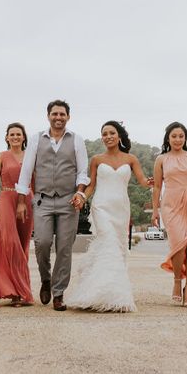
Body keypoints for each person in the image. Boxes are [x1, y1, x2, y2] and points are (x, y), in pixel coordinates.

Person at [66, 121, 152, 312]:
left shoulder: (131, 159)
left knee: (119, 248)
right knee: (109, 243)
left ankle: (110, 293)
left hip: (121, 208)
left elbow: (143, 181)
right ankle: (105, 294)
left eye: (111, 133)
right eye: (104, 134)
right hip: (101, 207)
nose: (108, 136)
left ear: (119, 136)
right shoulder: (97, 159)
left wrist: (151, 182)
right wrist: (81, 197)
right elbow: (91, 185)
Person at [16, 100, 90, 311]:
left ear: (68, 117)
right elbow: (26, 170)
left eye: (62, 114)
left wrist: (79, 192)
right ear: (48, 116)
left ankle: (58, 293)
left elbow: (82, 171)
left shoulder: (77, 140)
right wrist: (22, 201)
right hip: (43, 200)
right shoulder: (36, 139)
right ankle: (46, 279)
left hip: (68, 200)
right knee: (42, 243)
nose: (58, 117)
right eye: (55, 114)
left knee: (64, 248)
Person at [152, 122, 187, 308]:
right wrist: (155, 210)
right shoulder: (161, 159)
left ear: (186, 138)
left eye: (181, 136)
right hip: (171, 204)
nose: (177, 139)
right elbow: (157, 186)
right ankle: (177, 281)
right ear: (168, 138)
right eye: (174, 136)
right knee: (178, 244)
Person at [0, 123, 34, 306]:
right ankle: (14, 291)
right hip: (6, 199)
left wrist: (38, 206)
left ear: (24, 137)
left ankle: (22, 290)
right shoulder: (1, 157)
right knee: (9, 243)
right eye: (12, 134)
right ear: (6, 137)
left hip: (27, 200)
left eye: (18, 134)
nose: (15, 137)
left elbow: (36, 182)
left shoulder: (30, 156)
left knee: (23, 245)